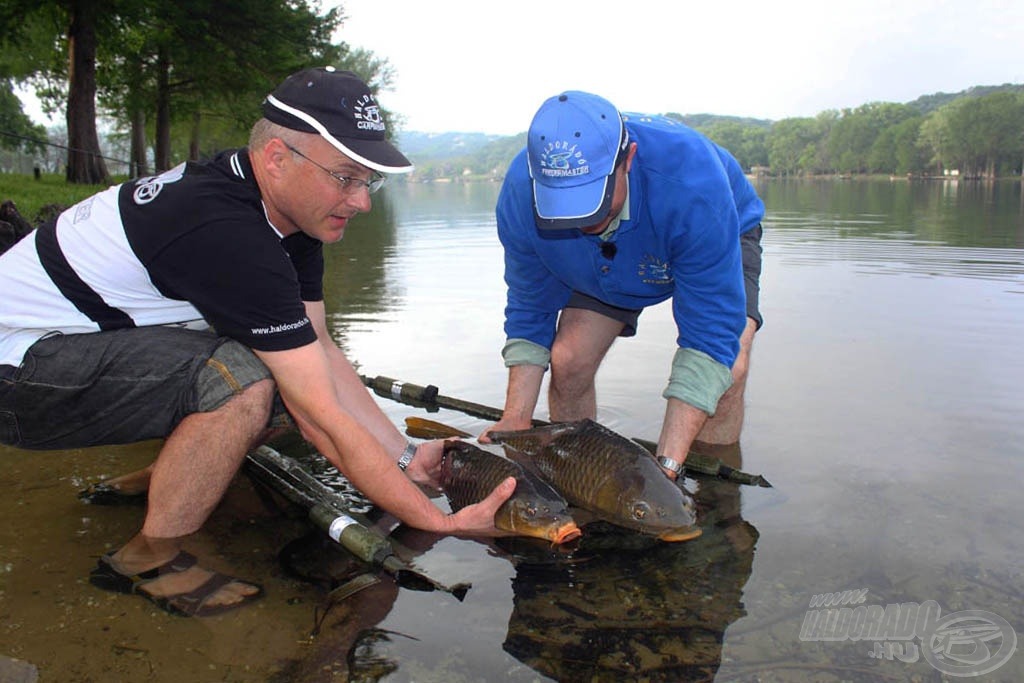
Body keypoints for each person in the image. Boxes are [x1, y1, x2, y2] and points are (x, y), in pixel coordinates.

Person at [0, 67, 514, 617]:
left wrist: (406, 457)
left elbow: (321, 349)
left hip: (73, 342)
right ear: (276, 158)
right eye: (346, 177)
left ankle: (160, 480)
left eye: (369, 181)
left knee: (283, 366)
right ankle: (146, 557)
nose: (361, 202)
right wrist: (435, 520)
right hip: (20, 371)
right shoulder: (228, 232)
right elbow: (318, 415)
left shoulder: (289, 215)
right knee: (245, 377)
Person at [481, 91, 765, 480]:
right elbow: (530, 307)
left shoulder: (694, 187)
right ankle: (580, 476)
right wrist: (514, 420)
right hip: (597, 258)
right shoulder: (520, 194)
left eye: (592, 203)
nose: (583, 221)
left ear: (626, 160)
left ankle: (717, 491)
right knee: (568, 361)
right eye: (563, 207)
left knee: (728, 372)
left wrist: (665, 471)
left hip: (710, 229)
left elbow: (709, 339)